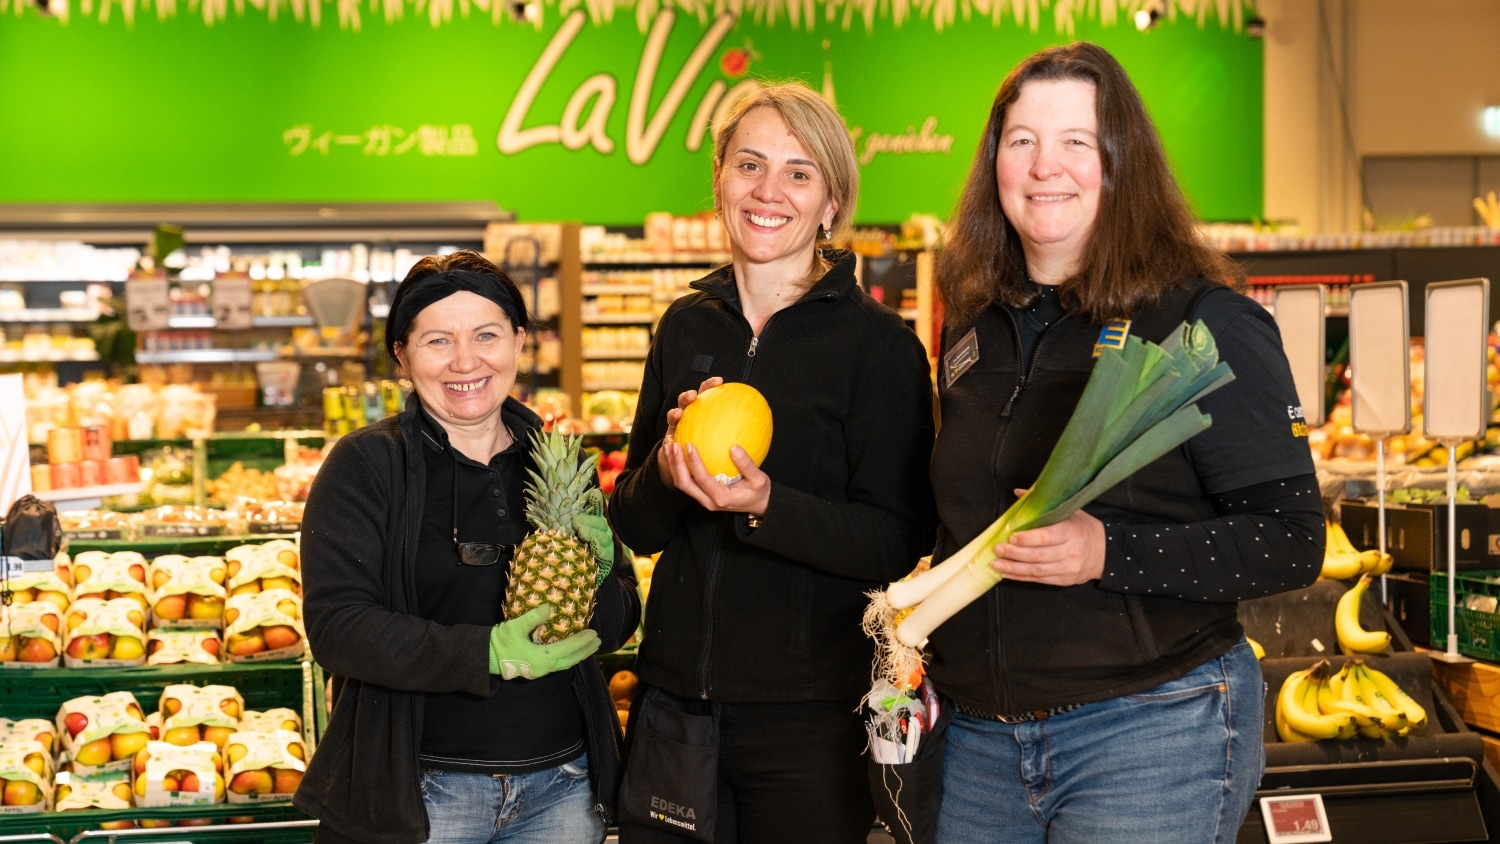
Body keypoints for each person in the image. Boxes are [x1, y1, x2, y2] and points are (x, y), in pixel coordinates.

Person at [924, 42, 1322, 843]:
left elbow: (1291, 541)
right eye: (1022, 140)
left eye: (1078, 142)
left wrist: (1109, 551)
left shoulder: (1205, 325)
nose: (1046, 166)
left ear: (1121, 161)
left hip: (1150, 729)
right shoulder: (972, 325)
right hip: (978, 741)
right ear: (993, 161)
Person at [607, 81, 936, 843]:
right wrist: (666, 472)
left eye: (799, 172)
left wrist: (764, 505)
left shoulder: (879, 347)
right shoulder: (685, 324)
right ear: (719, 179)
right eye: (749, 164)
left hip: (811, 720)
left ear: (831, 204)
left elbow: (896, 537)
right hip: (676, 705)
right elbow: (635, 522)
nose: (768, 191)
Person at [294, 249, 641, 844]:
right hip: (422, 791)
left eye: (486, 335)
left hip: (561, 785)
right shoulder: (366, 465)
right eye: (436, 341)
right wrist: (484, 651)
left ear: (518, 342)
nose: (465, 361)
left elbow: (615, 624)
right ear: (402, 355)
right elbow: (337, 628)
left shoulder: (559, 460)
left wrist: (606, 572)